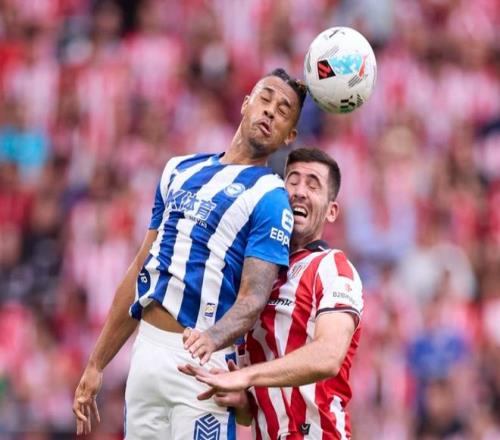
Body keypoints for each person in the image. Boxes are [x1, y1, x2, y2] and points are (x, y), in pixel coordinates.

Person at [72, 68, 307, 439]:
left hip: (203, 365)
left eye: (283, 111)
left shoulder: (270, 197)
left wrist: (212, 338)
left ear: (288, 136)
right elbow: (141, 268)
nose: (269, 112)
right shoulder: (179, 169)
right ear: (246, 103)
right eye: (265, 99)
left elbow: (254, 298)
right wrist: (96, 363)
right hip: (147, 352)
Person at [180, 147, 364, 439]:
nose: (300, 192)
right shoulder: (255, 282)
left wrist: (246, 376)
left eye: (313, 185)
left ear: (331, 211)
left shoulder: (333, 268)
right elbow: (254, 411)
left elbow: (329, 356)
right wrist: (242, 399)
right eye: (293, 181)